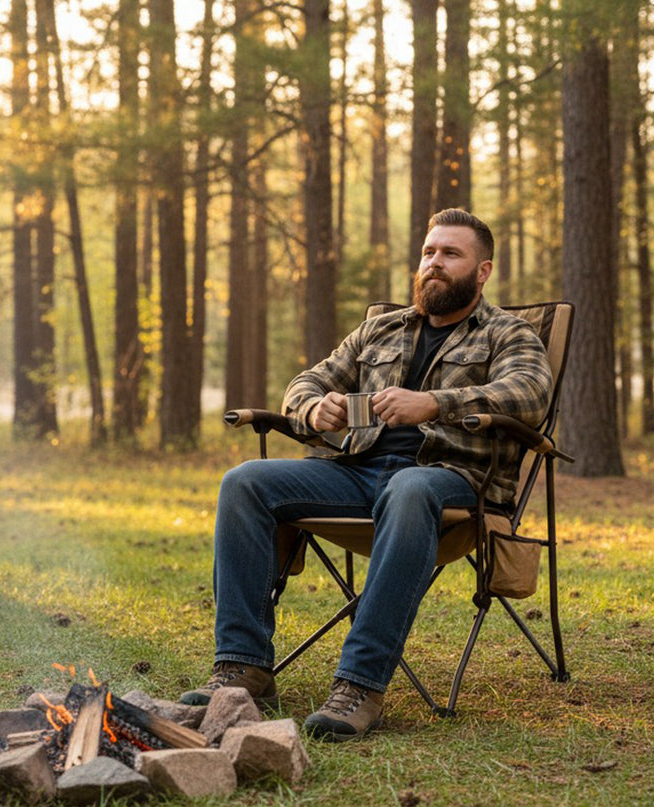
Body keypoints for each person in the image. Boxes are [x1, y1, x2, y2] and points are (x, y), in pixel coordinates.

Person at [179, 208, 553, 741]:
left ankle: (360, 685)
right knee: (244, 481)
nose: (435, 263)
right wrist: (315, 409)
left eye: (451, 254)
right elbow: (306, 383)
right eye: (428, 252)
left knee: (409, 486)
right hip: (357, 472)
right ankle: (243, 666)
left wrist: (435, 403)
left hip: (448, 481)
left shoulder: (508, 333)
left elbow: (529, 394)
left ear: (483, 271)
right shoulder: (381, 329)